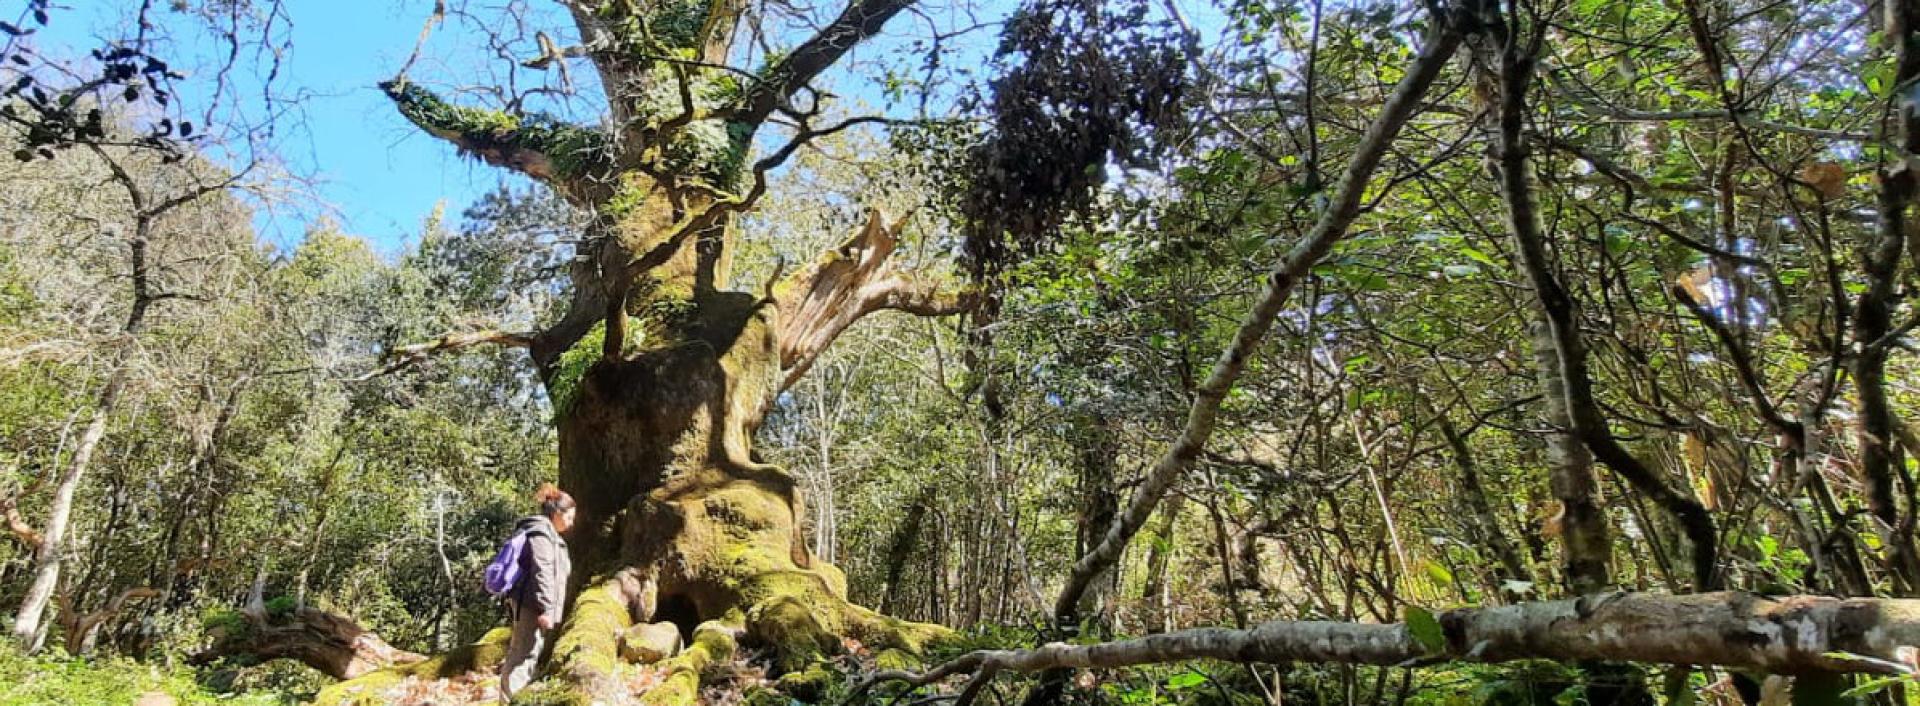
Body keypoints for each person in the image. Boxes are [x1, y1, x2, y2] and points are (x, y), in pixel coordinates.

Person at [499, 483, 575, 703]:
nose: (571, 523)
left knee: (526, 653)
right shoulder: (541, 534)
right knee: (523, 655)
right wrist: (545, 609)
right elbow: (542, 572)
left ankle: (512, 698)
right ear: (557, 513)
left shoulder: (547, 534)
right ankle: (511, 700)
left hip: (532, 604)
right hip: (532, 605)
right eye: (569, 517)